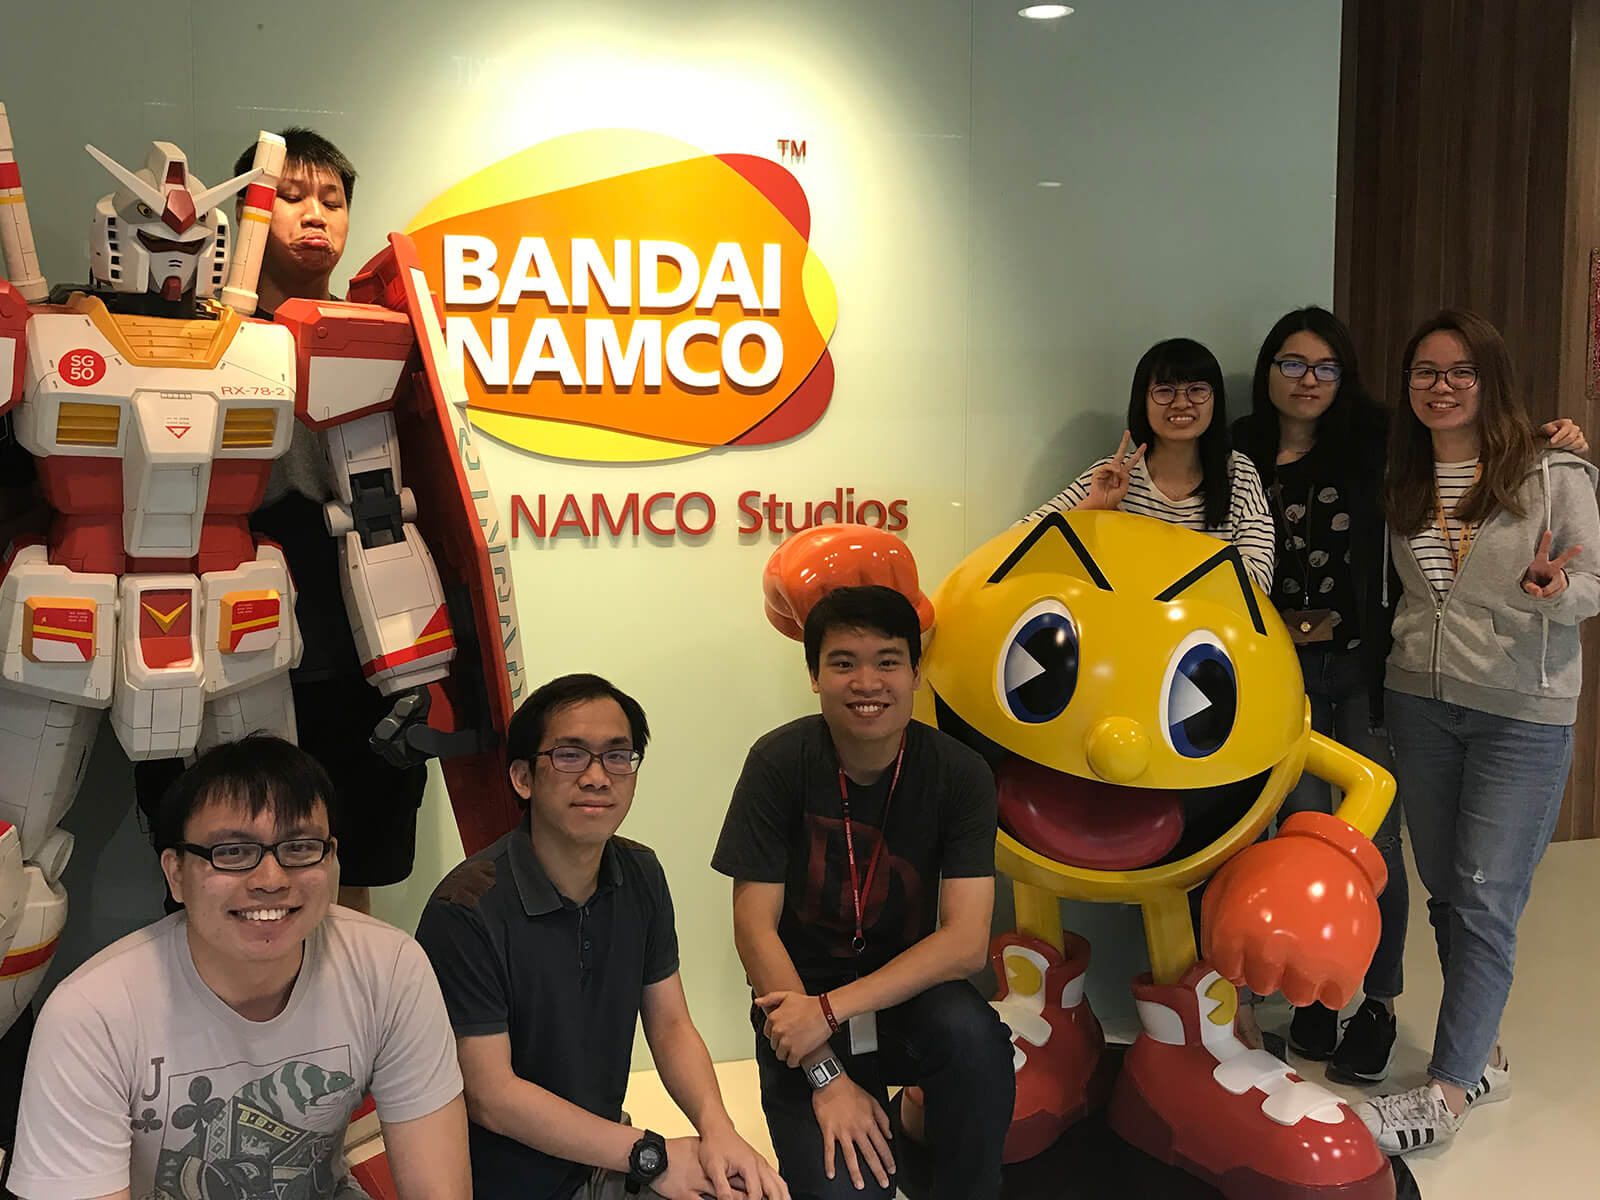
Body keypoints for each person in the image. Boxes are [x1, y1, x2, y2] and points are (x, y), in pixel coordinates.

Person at [1232, 306, 1588, 1081]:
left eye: (1325, 366)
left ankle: (1381, 1005)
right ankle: (1316, 992)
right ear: (1266, 372)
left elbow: (1575, 557)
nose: (1307, 380)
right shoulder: (1244, 453)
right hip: (1282, 678)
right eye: (1290, 364)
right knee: (1297, 836)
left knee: (1374, 845)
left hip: (1366, 675)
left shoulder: (1374, 447)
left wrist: (1559, 447)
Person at [134, 128, 426, 914]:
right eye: (290, 195)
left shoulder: (388, 334)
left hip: (353, 634)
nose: (313, 214)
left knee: (345, 851)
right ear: (248, 214)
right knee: (217, 847)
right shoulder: (183, 335)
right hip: (213, 625)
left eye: (331, 200)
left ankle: (344, 1021)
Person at [7, 735, 469, 1200]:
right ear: (176, 874)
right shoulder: (91, 1016)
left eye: (300, 847)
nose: (271, 880)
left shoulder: (390, 968)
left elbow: (439, 1188)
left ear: (332, 861)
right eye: (231, 852)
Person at [1352, 310, 1600, 1155]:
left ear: (1490, 381)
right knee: (1449, 893)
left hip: (1519, 714)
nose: (1442, 386)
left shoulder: (1552, 470)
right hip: (1420, 704)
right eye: (1425, 371)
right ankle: (1480, 1051)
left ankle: (1447, 1091)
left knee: (1489, 895)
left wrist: (1553, 593)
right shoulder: (1405, 473)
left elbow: (1592, 579)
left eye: (1461, 372)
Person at [415, 673, 786, 1200]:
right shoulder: (466, 910)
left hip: (603, 1157)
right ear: (523, 778)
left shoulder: (639, 873)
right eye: (570, 755)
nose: (597, 776)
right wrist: (649, 1155)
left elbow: (672, 1024)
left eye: (617, 755)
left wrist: (717, 1130)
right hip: (506, 1182)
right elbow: (490, 1095)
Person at [712, 586, 1013, 1200]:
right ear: (814, 677)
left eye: (888, 660)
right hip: (798, 1010)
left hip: (905, 998)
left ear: (916, 672)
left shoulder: (960, 774)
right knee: (848, 1193)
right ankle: (885, 1114)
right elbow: (754, 930)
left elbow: (963, 945)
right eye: (843, 662)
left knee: (977, 1042)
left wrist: (834, 1007)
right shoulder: (778, 763)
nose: (867, 681)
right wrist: (827, 1076)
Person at [1025, 336, 1276, 592]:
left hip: (1208, 630)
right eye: (1164, 391)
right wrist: (1093, 507)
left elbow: (1259, 582)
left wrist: (1146, 553)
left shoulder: (1238, 473)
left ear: (1215, 399)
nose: (1181, 403)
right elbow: (1018, 543)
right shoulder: (1114, 475)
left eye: (1197, 390)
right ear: (1142, 402)